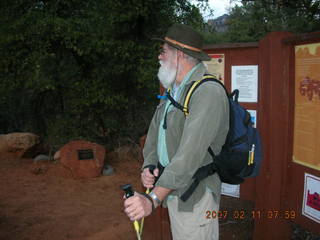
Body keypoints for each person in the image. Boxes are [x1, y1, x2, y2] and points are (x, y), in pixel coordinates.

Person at [123, 23, 229, 240]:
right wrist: (149, 166)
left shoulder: (207, 92)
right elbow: (154, 134)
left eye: (163, 51)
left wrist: (152, 199)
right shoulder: (175, 90)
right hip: (173, 190)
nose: (159, 57)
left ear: (179, 55)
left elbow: (188, 157)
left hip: (195, 197)